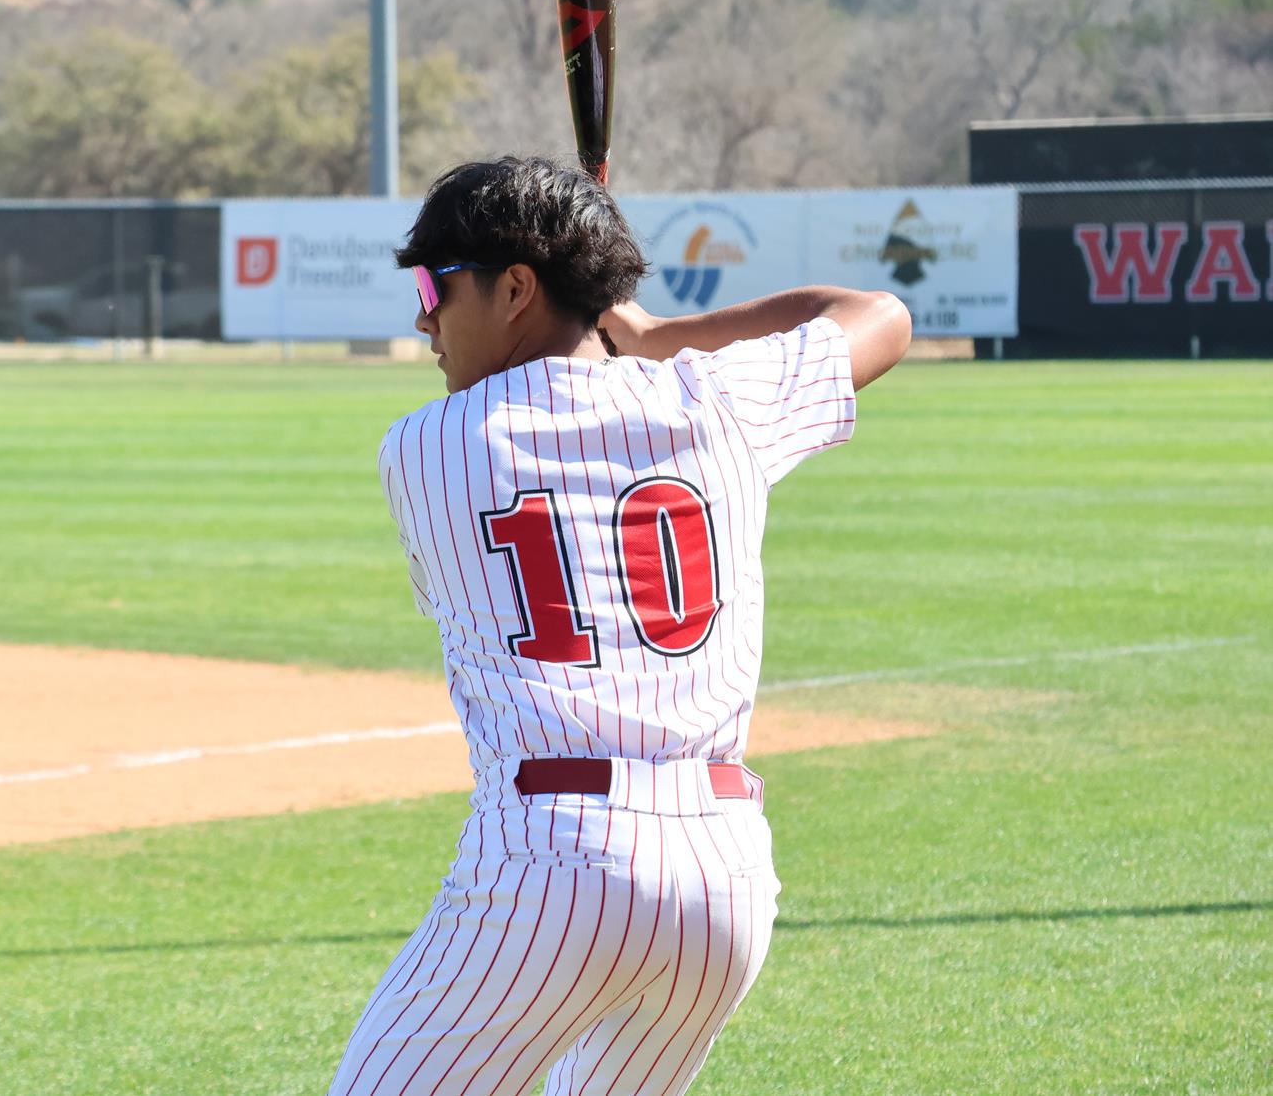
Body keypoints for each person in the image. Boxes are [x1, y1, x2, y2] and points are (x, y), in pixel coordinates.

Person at [329, 157, 911, 1096]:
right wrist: (665, 337)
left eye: (436, 285)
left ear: (516, 287)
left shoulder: (426, 448)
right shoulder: (717, 402)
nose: (422, 317)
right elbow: (879, 316)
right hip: (724, 878)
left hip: (552, 860)